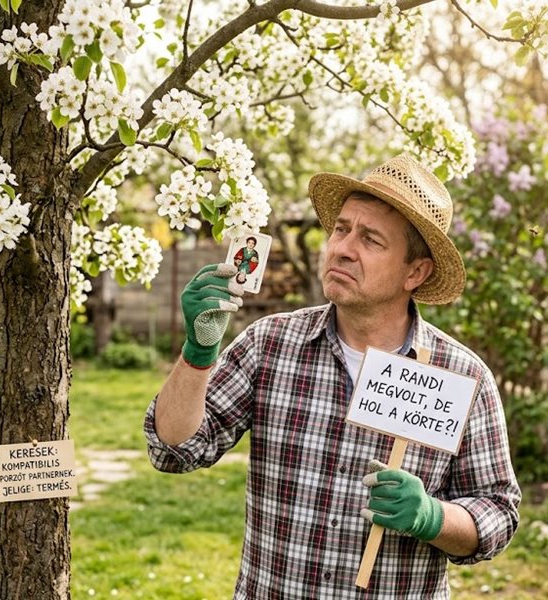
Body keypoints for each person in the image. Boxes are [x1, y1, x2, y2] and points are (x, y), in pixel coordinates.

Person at [144, 155, 520, 598]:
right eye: (341, 229)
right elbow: (174, 449)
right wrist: (197, 353)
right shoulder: (270, 343)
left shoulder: (460, 376)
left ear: (415, 272)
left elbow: (498, 513)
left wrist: (432, 517)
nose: (342, 247)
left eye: (371, 239)